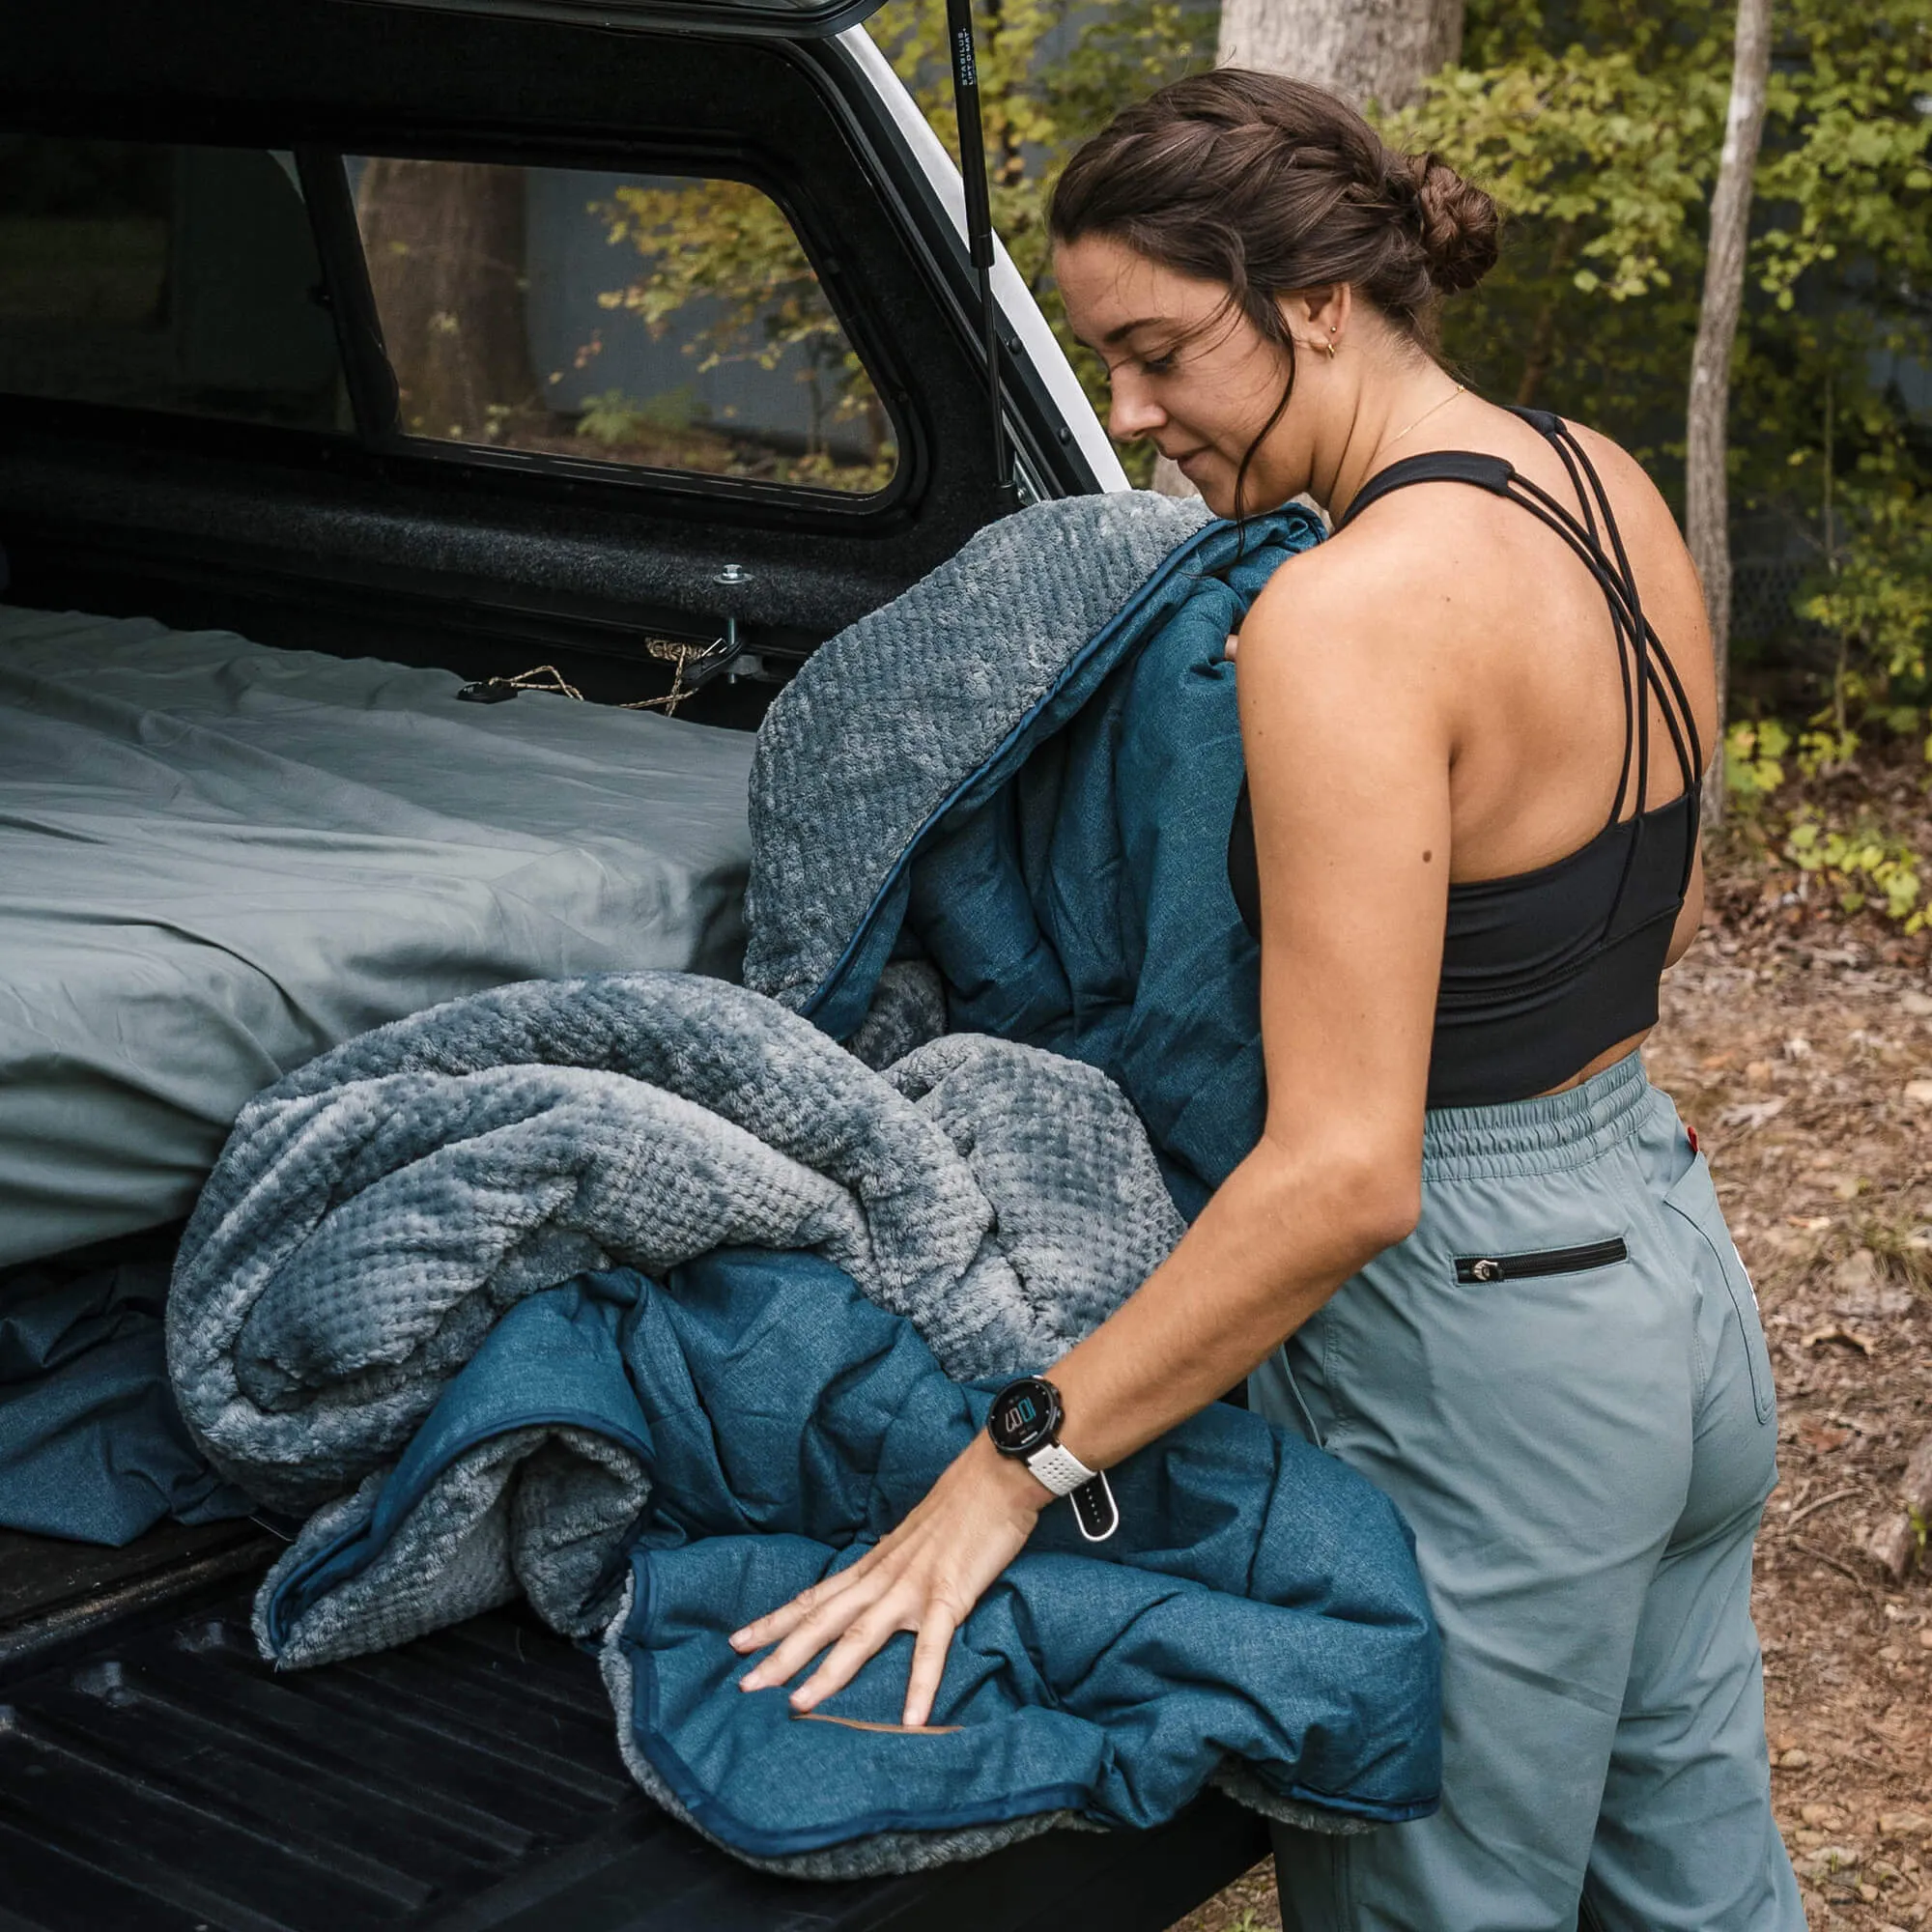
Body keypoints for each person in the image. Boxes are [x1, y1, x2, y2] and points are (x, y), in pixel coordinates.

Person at [730, 68, 1803, 1932]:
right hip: (1669, 1269)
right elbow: (1672, 904)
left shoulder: (1343, 611)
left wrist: (1014, 1465)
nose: (1132, 420)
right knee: (1698, 1894)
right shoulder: (1594, 478)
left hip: (1482, 1353)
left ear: (1311, 301)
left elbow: (1344, 1177)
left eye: (1158, 352)